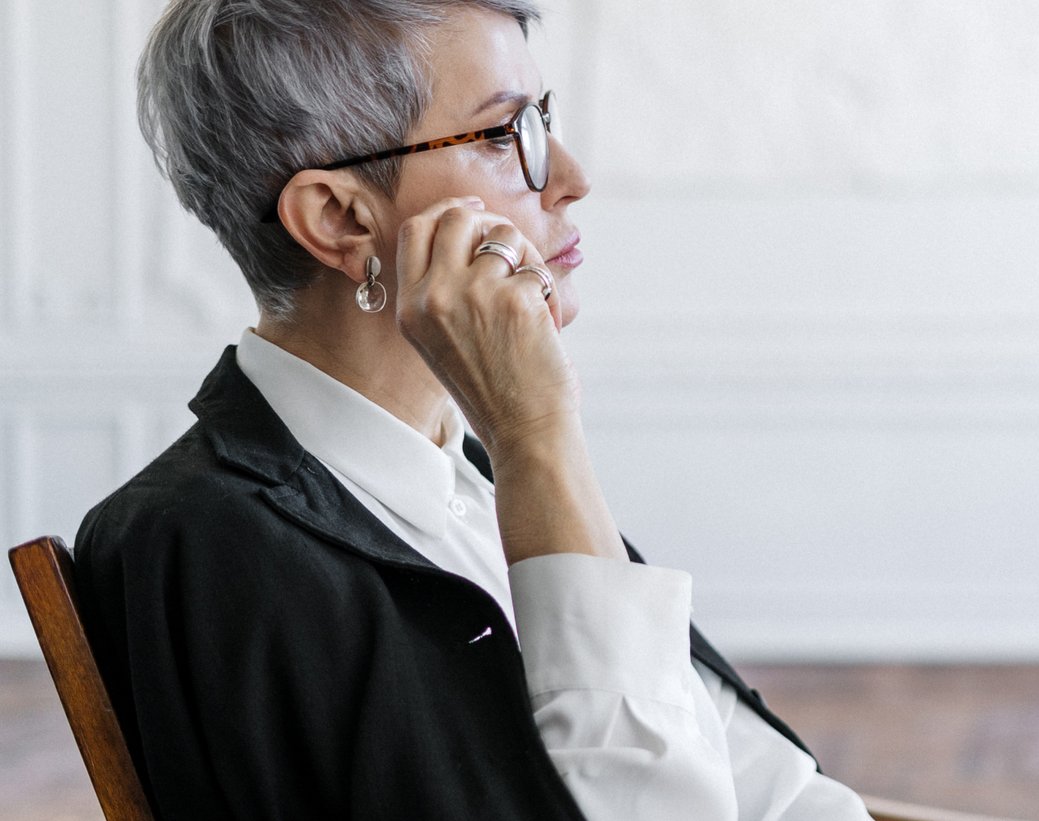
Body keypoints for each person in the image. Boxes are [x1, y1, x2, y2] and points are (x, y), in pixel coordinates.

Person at [72, 1, 873, 818]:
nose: (570, 176)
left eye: (542, 119)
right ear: (340, 218)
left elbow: (769, 789)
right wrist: (538, 433)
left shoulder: (478, 476)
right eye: (502, 134)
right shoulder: (206, 544)